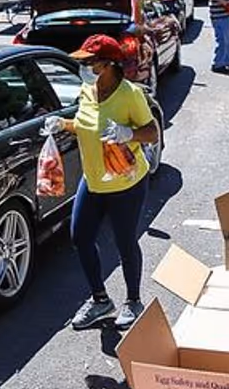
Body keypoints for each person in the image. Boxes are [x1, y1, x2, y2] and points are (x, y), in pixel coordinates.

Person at [47, 35, 160, 331]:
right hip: (94, 180)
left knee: (124, 243)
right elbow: (85, 126)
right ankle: (100, 300)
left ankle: (133, 301)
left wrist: (128, 133)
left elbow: (152, 132)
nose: (83, 66)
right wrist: (62, 125)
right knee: (80, 237)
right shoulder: (86, 90)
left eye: (89, 62)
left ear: (109, 65)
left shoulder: (129, 94)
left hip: (125, 183)